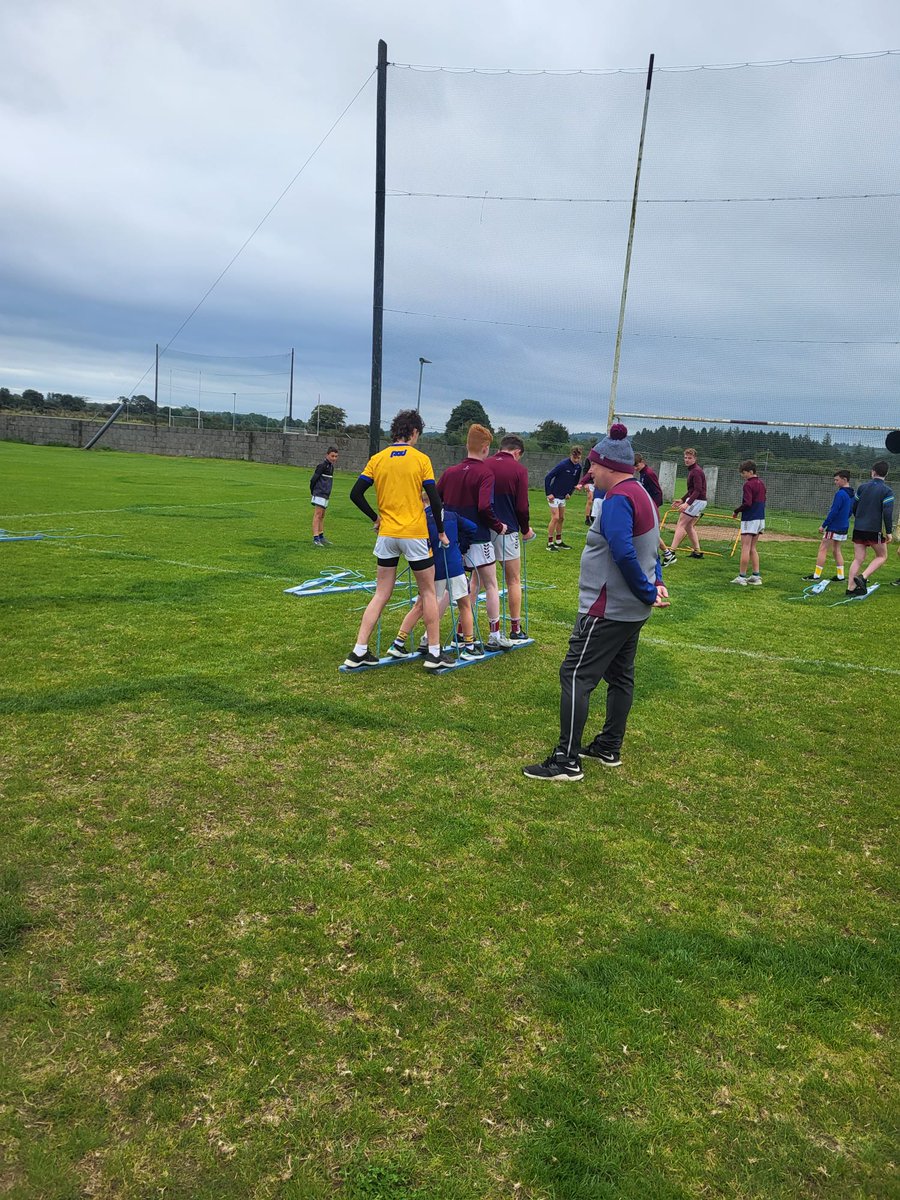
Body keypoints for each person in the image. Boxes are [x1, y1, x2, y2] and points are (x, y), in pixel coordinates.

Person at [523, 424, 668, 782]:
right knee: (620, 677)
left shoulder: (619, 498)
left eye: (594, 467)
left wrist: (649, 590)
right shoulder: (642, 494)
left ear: (609, 467)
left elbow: (623, 550)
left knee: (574, 674)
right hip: (629, 611)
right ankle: (608, 746)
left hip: (607, 609)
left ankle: (565, 761)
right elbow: (653, 546)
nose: (590, 473)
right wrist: (656, 581)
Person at [345, 410, 452, 671]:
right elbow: (434, 499)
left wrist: (376, 517)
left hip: (387, 535)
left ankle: (359, 650)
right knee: (428, 592)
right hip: (414, 534)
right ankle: (434, 653)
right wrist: (440, 531)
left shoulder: (378, 459)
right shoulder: (421, 459)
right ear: (414, 432)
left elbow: (356, 493)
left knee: (381, 592)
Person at [438, 424, 512, 651]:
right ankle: (495, 635)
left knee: (451, 588)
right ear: (486, 448)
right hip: (478, 537)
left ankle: (429, 636)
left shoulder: (450, 472)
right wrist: (498, 526)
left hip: (452, 540)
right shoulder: (484, 473)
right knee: (490, 584)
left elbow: (434, 500)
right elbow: (484, 507)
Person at [388, 499, 482, 661]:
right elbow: (472, 528)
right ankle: (469, 646)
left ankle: (398, 643)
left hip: (431, 568)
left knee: (420, 606)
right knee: (464, 605)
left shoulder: (419, 520)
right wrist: (460, 547)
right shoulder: (452, 516)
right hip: (454, 567)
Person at [486, 435, 535, 641]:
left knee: (479, 582)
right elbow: (522, 506)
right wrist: (526, 529)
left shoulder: (484, 464)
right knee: (513, 580)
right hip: (508, 530)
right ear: (517, 452)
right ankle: (515, 629)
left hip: (482, 529)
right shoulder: (518, 470)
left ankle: (464, 630)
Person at [846, 460, 894, 596]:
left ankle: (850, 589)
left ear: (873, 471)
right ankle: (863, 577)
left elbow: (854, 506)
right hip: (874, 529)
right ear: (886, 474)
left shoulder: (862, 487)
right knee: (882, 556)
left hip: (859, 527)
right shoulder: (887, 490)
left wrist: (859, 517)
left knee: (858, 558)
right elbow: (887, 512)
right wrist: (889, 532)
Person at [802, 471, 854, 583]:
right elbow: (851, 511)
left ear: (844, 480)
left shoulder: (840, 494)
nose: (835, 482)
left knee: (823, 548)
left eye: (837, 480)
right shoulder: (852, 494)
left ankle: (816, 575)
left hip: (834, 526)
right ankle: (840, 576)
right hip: (844, 526)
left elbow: (834, 511)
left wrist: (824, 525)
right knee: (837, 550)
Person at [663, 448, 707, 563]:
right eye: (685, 457)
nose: (687, 460)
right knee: (688, 526)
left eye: (690, 458)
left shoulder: (696, 471)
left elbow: (697, 490)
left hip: (698, 501)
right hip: (697, 500)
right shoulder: (693, 470)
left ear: (695, 459)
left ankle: (671, 552)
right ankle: (697, 551)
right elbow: (692, 490)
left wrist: (687, 503)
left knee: (681, 523)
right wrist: (682, 500)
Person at [730, 460, 767, 585]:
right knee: (752, 548)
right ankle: (756, 576)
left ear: (751, 472)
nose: (743, 475)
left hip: (750, 519)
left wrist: (736, 511)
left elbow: (748, 503)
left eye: (744, 473)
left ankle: (742, 577)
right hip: (760, 519)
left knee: (745, 547)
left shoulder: (748, 485)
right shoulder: (761, 484)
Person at [544, 446, 583, 550]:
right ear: (571, 455)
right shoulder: (563, 465)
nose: (576, 460)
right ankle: (549, 543)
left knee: (561, 518)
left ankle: (558, 541)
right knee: (555, 517)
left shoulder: (578, 467)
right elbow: (548, 477)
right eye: (575, 458)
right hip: (554, 495)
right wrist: (549, 493)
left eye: (578, 458)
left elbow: (574, 482)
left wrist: (569, 492)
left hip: (562, 496)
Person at [633, 452, 667, 559]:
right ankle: (665, 553)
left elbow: (658, 492)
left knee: (651, 529)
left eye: (637, 466)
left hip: (652, 505)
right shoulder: (643, 473)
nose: (635, 468)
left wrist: (653, 507)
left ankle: (666, 553)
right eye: (633, 466)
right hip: (647, 504)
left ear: (642, 462)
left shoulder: (649, 473)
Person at [310, 446, 338, 546]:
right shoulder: (322, 466)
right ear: (327, 455)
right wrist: (313, 491)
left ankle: (321, 536)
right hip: (319, 493)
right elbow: (313, 479)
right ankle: (316, 538)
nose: (334, 458)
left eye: (336, 456)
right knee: (317, 515)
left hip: (326, 494)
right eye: (332, 456)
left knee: (322, 515)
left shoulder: (331, 467)